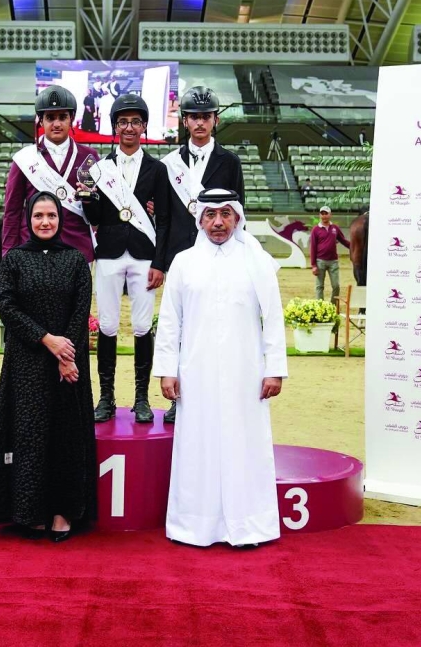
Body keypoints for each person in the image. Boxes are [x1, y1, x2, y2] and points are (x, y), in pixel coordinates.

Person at [153, 188, 287, 548]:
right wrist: (167, 369)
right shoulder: (183, 262)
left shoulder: (256, 260)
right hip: (196, 372)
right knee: (198, 446)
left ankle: (249, 527)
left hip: (247, 373)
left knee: (245, 446)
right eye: (210, 215)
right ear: (200, 220)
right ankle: (193, 526)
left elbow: (272, 319)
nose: (218, 222)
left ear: (238, 218)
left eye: (226, 214)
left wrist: (274, 368)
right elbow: (169, 322)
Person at [0, 191, 98, 543]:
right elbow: (8, 307)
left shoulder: (75, 260)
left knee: (65, 437)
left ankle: (63, 513)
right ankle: (29, 510)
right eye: (39, 216)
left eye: (52, 216)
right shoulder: (14, 259)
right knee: (29, 436)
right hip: (27, 361)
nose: (45, 222)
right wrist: (46, 339)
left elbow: (80, 310)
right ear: (28, 220)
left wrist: (66, 357)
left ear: (61, 220)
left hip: (68, 365)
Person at [157, 86, 246, 424]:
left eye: (205, 116)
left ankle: (216, 394)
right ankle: (178, 399)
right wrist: (160, 263)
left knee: (215, 323)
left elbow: (238, 212)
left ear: (216, 120)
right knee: (179, 329)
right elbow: (163, 218)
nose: (199, 123)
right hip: (181, 257)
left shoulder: (230, 161)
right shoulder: (169, 164)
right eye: (193, 116)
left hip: (219, 254)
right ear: (185, 121)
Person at [80, 93, 169, 424]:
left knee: (143, 326)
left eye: (135, 122)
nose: (129, 127)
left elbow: (165, 220)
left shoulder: (157, 169)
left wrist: (160, 263)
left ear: (143, 126)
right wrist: (87, 196)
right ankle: (106, 397)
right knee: (107, 325)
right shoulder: (100, 169)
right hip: (110, 254)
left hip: (145, 256)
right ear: (114, 126)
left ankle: (142, 398)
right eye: (122, 122)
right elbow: (94, 217)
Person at [2, 85, 98, 264]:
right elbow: (12, 212)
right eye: (50, 118)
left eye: (63, 117)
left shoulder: (89, 157)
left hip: (77, 250)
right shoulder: (24, 159)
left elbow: (97, 212)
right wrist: (8, 253)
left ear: (72, 119)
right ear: (41, 121)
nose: (56, 124)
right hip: (32, 249)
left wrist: (89, 200)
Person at [310, 205, 351, 302]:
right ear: (320, 215)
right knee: (319, 286)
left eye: (326, 214)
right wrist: (313, 265)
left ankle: (332, 307)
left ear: (330, 215)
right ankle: (320, 306)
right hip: (320, 261)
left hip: (333, 262)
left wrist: (354, 247)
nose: (324, 216)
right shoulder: (315, 230)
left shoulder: (335, 228)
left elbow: (343, 241)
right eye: (322, 214)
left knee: (336, 286)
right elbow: (313, 248)